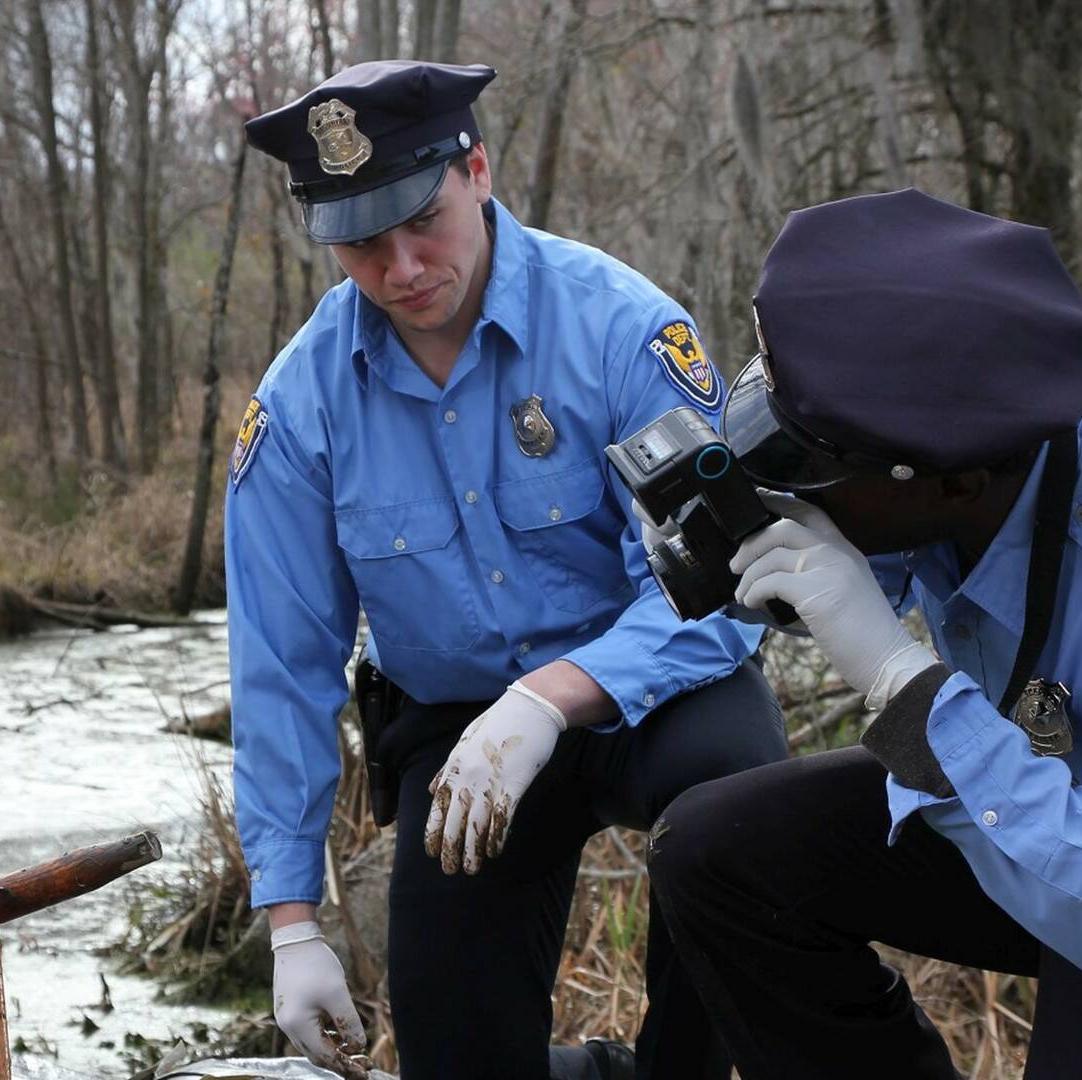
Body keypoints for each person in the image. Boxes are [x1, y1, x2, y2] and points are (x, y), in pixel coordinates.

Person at [642, 188, 1082, 1078]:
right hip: (1037, 778)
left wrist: (904, 685)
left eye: (809, 467)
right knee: (714, 853)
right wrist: (742, 559)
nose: (792, 484)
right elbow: (876, 531)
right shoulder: (973, 399)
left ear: (953, 484)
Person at [227, 60, 787, 1080]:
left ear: (477, 171)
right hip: (455, 735)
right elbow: (280, 663)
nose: (402, 267)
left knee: (736, 809)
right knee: (459, 1058)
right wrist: (291, 923)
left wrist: (548, 700)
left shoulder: (622, 329)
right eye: (362, 241)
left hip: (650, 693)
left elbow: (718, 587)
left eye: (423, 222)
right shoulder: (300, 405)